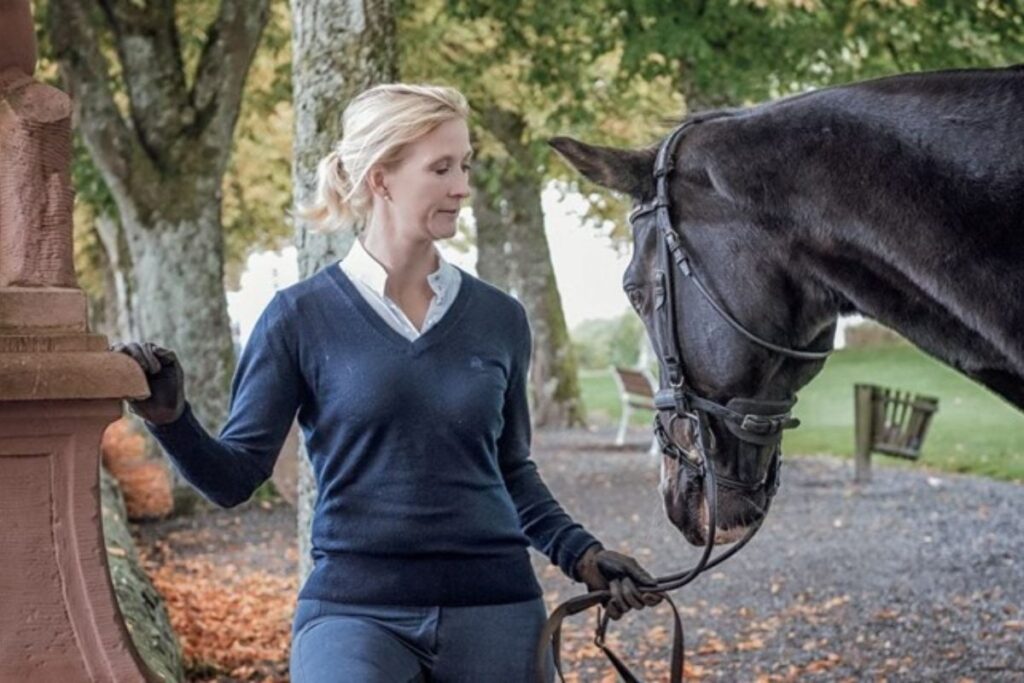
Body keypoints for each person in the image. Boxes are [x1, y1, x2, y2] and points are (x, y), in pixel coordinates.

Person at [113, 83, 663, 683]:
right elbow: (234, 478)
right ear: (381, 178)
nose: (462, 186)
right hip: (354, 610)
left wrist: (581, 555)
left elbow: (509, 469)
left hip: (497, 606)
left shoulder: (499, 318)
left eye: (465, 165)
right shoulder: (298, 317)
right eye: (442, 168)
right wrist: (172, 421)